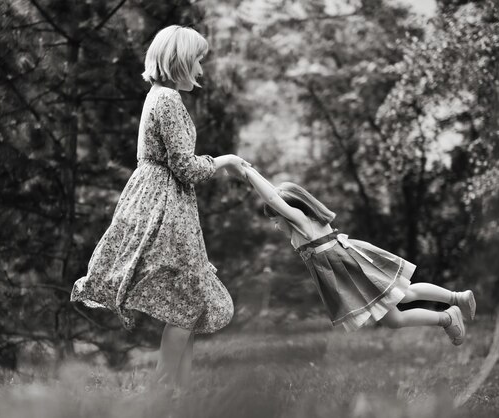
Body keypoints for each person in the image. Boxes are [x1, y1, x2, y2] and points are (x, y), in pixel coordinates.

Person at [71, 25, 244, 393]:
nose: (201, 70)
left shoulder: (160, 96)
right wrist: (225, 160)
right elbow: (184, 167)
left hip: (167, 203)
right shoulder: (166, 100)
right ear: (180, 60)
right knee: (188, 301)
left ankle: (179, 395)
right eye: (198, 60)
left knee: (189, 299)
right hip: (165, 208)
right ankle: (163, 393)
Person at [240, 165, 476, 345]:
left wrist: (246, 172)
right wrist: (247, 168)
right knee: (396, 316)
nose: (275, 225)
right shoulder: (304, 225)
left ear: (290, 211)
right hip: (349, 267)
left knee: (406, 294)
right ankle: (449, 314)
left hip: (351, 268)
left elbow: (272, 197)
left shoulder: (302, 223)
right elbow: (274, 197)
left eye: (276, 220)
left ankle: (456, 300)